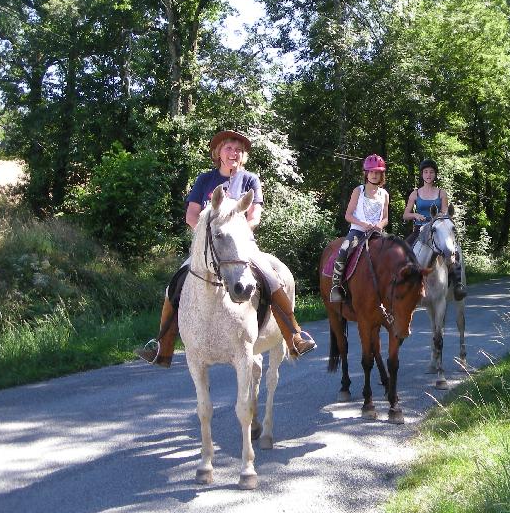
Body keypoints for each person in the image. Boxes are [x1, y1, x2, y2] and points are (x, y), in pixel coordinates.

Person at [134, 129, 316, 366]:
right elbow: (191, 215)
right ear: (218, 152)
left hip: (242, 248)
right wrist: (206, 238)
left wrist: (239, 236)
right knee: (174, 285)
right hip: (208, 248)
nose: (234, 153)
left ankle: (294, 336)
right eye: (229, 148)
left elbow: (255, 217)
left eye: (239, 150)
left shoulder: (250, 179)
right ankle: (162, 346)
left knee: (272, 278)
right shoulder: (204, 180)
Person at [328, 154, 390, 303]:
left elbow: (386, 218)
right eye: (372, 172)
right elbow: (348, 215)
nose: (374, 175)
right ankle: (336, 286)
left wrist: (379, 226)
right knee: (344, 249)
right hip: (358, 231)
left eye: (378, 172)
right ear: (366, 173)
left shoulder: (384, 194)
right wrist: (363, 224)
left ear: (382, 174)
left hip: (376, 233)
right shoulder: (359, 191)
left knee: (394, 251)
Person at [403, 158, 467, 300]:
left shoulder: (441, 193)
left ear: (435, 175)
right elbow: (405, 215)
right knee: (402, 251)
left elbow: (445, 215)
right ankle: (402, 285)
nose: (428, 175)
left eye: (431, 172)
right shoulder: (415, 194)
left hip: (438, 230)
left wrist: (437, 219)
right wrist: (415, 215)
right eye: (425, 172)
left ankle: (457, 284)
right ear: (422, 175)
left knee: (452, 250)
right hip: (419, 230)